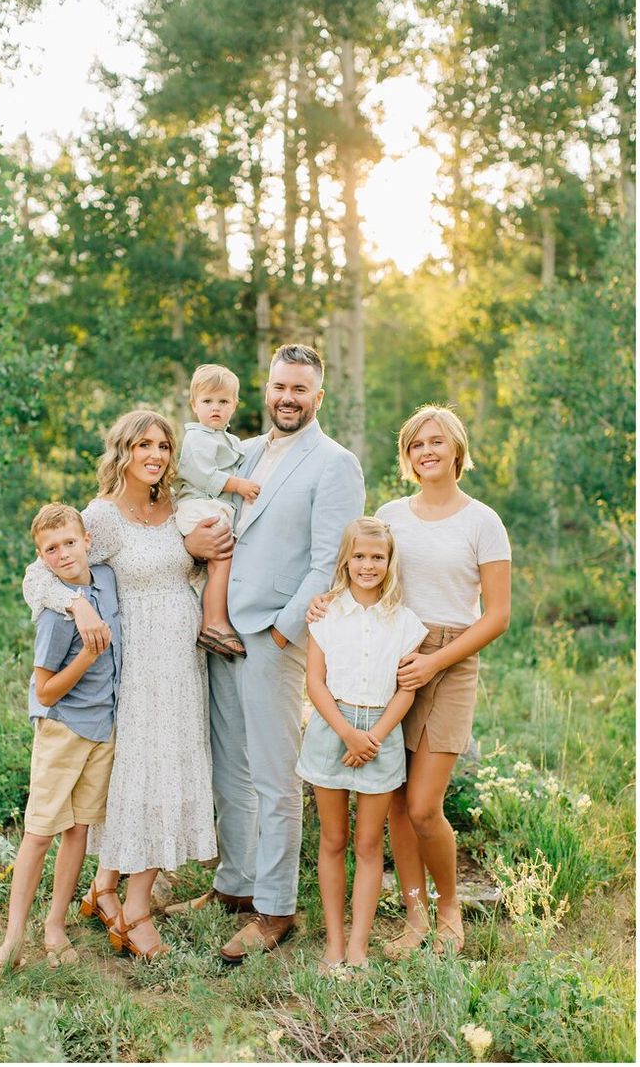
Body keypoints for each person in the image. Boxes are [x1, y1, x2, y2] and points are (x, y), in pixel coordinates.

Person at [174, 344, 365, 963]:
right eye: (280, 387)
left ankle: (276, 907)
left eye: (300, 390)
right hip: (220, 631)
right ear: (266, 389)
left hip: (274, 638)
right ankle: (235, 884)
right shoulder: (243, 451)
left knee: (275, 776)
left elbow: (328, 563)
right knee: (229, 767)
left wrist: (284, 633)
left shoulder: (336, 465)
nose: (288, 398)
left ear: (318, 396)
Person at [308, 404, 511, 956]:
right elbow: (364, 570)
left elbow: (496, 616)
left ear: (457, 451)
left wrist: (435, 663)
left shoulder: (482, 521)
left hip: (449, 658)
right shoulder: (393, 512)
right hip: (389, 661)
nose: (427, 451)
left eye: (437, 442)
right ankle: (414, 916)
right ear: (407, 455)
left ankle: (450, 912)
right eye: (417, 444)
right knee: (393, 799)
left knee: (423, 805)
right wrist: (328, 602)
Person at [23, 410, 216, 959]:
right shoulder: (103, 517)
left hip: (180, 666)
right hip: (136, 669)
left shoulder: (176, 508)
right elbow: (38, 573)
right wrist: (77, 604)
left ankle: (104, 887)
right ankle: (135, 909)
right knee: (141, 775)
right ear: (123, 451)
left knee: (159, 770)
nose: (154, 455)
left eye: (163, 445)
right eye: (143, 445)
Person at [0, 504, 121, 985]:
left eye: (69, 543)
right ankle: (12, 940)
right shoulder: (55, 617)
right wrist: (88, 655)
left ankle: (55, 927)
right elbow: (45, 689)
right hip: (63, 729)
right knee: (39, 833)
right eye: (50, 549)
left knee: (77, 830)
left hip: (102, 727)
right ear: (41, 557)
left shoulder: (105, 583)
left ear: (87, 542)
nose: (62, 554)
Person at [298, 517, 427, 975]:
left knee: (370, 844)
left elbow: (406, 689)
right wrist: (347, 734)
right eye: (359, 556)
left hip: (381, 732)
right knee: (333, 840)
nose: (367, 565)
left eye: (377, 557)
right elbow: (314, 681)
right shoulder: (326, 612)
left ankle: (358, 947)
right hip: (333, 727)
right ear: (346, 560)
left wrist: (372, 737)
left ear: (389, 562)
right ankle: (333, 944)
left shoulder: (404, 621)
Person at [174, 363, 261, 660]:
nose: (215, 408)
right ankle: (214, 622)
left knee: (220, 562)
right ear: (194, 404)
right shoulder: (197, 438)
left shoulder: (227, 440)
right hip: (197, 504)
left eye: (223, 402)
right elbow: (200, 474)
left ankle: (210, 617)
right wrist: (238, 485)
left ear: (234, 405)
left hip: (209, 505)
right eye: (207, 401)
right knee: (223, 557)